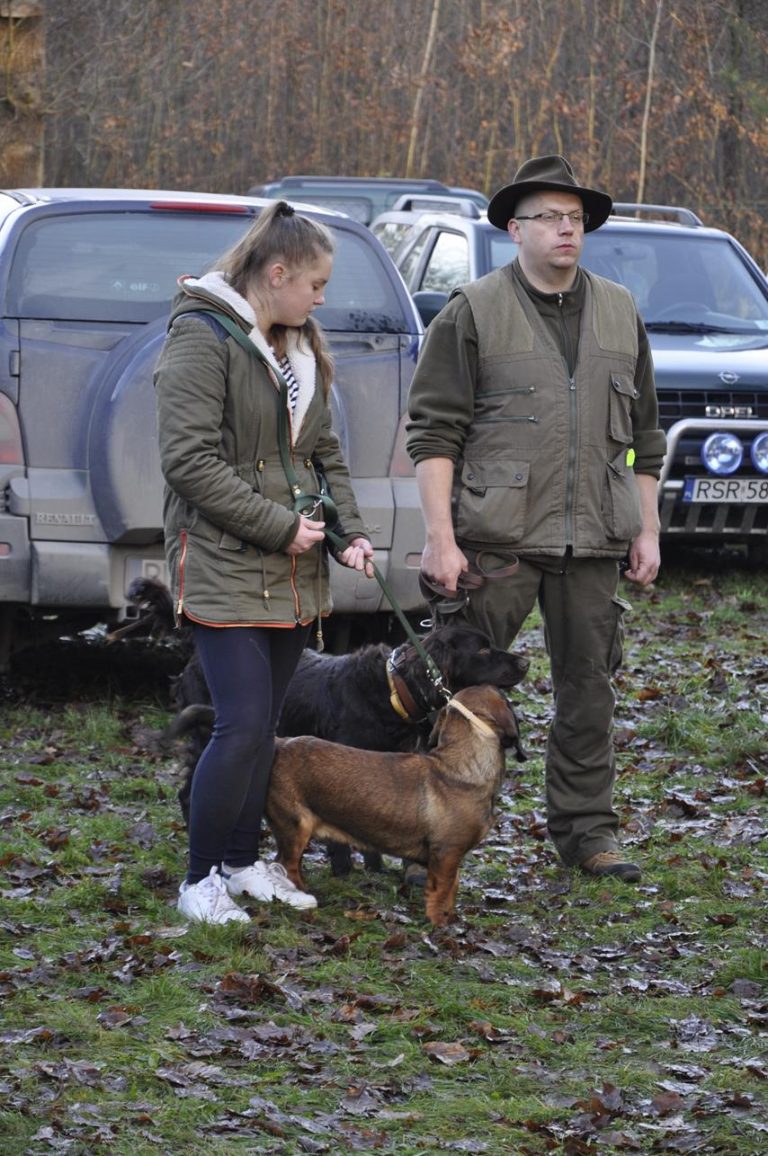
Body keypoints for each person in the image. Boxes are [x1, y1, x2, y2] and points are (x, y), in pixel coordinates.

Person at [406, 155, 666, 883]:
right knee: (455, 694)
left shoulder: (620, 311)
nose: (566, 230)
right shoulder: (472, 310)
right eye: (550, 217)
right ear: (514, 230)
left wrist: (645, 528)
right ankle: (422, 826)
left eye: (575, 219)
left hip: (593, 542)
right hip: (497, 543)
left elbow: (646, 436)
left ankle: (588, 835)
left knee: (589, 692)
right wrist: (440, 537)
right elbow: (433, 432)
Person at [155, 201, 374, 924]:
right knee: (241, 725)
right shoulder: (200, 336)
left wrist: (350, 535)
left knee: (268, 724)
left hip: (292, 568)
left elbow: (322, 454)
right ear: (275, 273)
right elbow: (188, 463)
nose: (321, 298)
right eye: (314, 283)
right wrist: (282, 527)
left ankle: (243, 861)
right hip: (222, 559)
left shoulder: (299, 346)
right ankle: (198, 882)